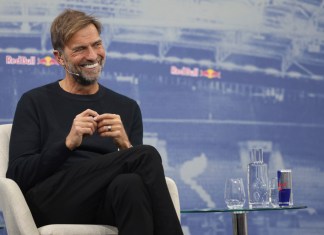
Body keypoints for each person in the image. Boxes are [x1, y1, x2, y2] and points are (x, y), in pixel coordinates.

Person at [6, 9, 183, 235]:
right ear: (60, 57)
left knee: (131, 186)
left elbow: (137, 171)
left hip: (104, 203)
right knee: (145, 155)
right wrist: (67, 144)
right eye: (80, 49)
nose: (92, 55)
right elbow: (17, 175)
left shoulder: (127, 108)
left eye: (97, 45)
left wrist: (125, 146)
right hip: (53, 202)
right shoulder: (35, 101)